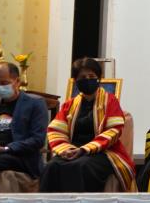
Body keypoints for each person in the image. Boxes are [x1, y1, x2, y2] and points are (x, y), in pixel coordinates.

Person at [40, 57, 136, 192]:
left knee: (81, 166)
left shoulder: (110, 101)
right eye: (82, 77)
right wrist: (66, 150)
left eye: (91, 76)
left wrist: (84, 150)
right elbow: (56, 130)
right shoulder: (69, 105)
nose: (87, 79)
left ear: (99, 78)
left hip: (103, 152)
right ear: (76, 81)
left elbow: (113, 131)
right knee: (51, 166)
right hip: (72, 150)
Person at [0, 62, 47, 191]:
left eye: (4, 83)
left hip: (18, 156)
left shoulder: (35, 103)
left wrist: (5, 148)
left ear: (17, 81)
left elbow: (37, 140)